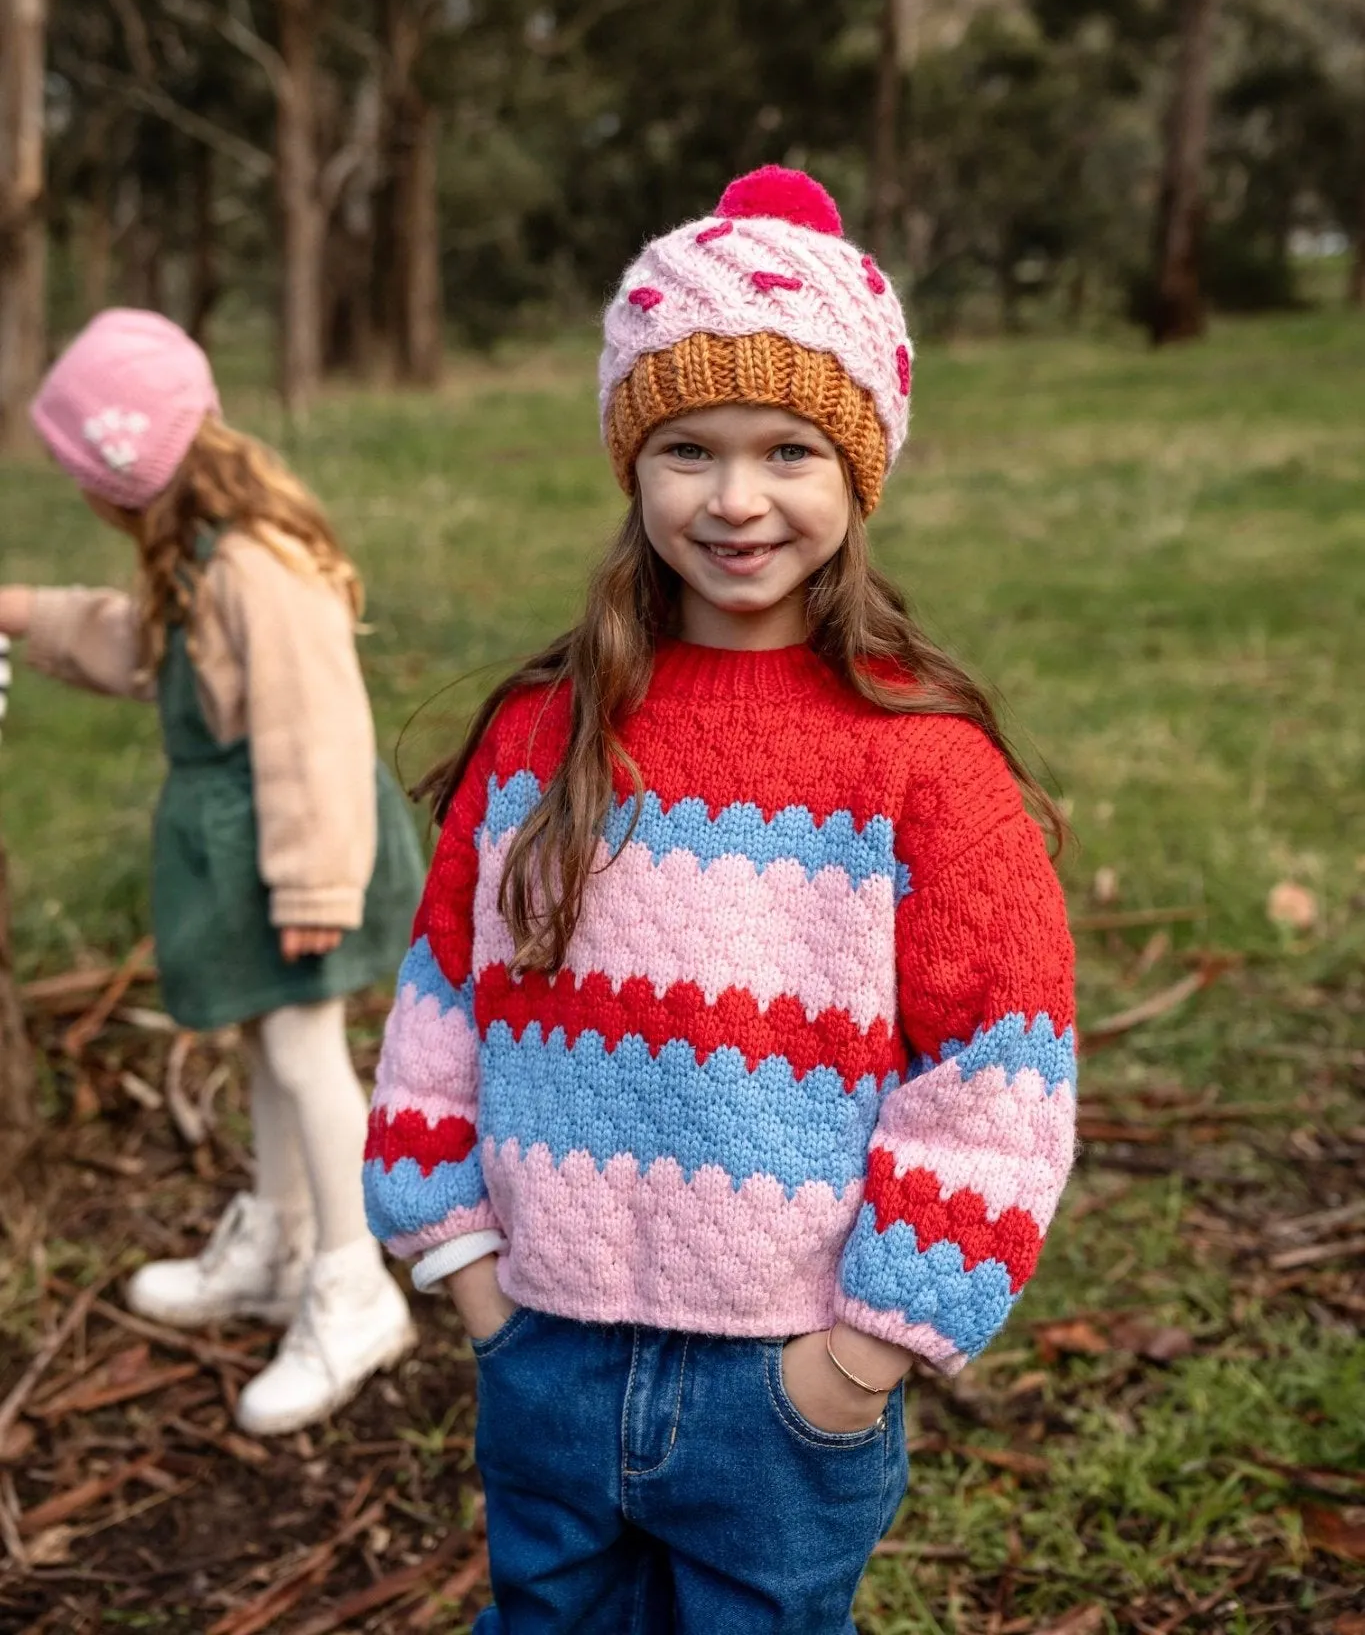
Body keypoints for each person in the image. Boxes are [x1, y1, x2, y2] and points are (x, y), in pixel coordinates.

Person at [363, 167, 1078, 1633]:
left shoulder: (917, 765)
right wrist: (464, 1265)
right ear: (632, 462)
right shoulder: (541, 734)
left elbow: (997, 1070)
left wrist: (867, 1352)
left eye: (789, 450)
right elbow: (447, 990)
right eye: (687, 447)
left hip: (785, 1382)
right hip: (546, 1343)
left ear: (858, 470)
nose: (735, 499)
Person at [0, 309, 423, 1436]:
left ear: (118, 476)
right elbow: (138, 641)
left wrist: (319, 888)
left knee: (303, 1047)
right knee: (263, 1041)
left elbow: (314, 734)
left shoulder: (257, 566)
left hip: (297, 852)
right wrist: (27, 612)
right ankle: (281, 1238)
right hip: (246, 854)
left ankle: (353, 1283)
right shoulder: (198, 556)